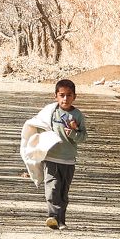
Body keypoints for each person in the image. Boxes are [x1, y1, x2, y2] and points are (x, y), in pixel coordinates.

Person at [20, 79, 88, 230]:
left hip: (68, 160)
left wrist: (74, 133)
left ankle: (61, 220)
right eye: (62, 95)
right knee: (52, 188)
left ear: (74, 97)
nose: (65, 99)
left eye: (69, 95)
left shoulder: (77, 116)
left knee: (63, 192)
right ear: (55, 96)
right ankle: (52, 217)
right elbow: (38, 124)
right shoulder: (50, 112)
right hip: (51, 158)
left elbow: (83, 136)